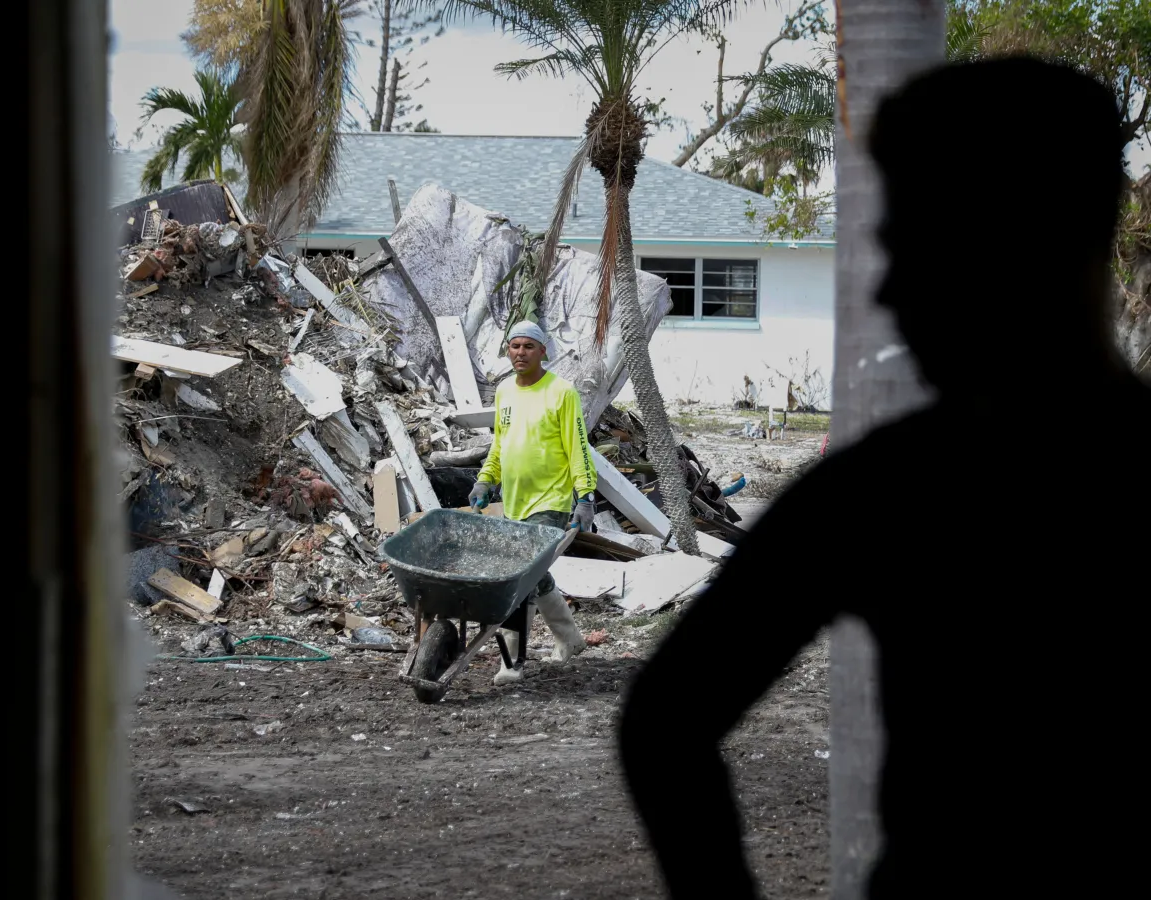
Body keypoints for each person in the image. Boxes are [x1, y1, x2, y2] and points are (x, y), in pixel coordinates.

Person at [619, 57, 1150, 900]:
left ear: (1031, 243)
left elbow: (663, 722)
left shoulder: (892, 490)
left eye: (923, 247)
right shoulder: (881, 487)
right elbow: (661, 722)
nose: (892, 291)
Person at [471, 321, 597, 685]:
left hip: (552, 500)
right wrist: (485, 478)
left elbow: (578, 448)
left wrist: (585, 497)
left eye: (529, 346)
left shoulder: (562, 392)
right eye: (515, 346)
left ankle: (511, 663)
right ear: (508, 351)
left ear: (543, 351)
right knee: (534, 573)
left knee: (519, 579)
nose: (521, 353)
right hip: (515, 502)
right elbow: (500, 443)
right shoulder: (504, 391)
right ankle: (570, 639)